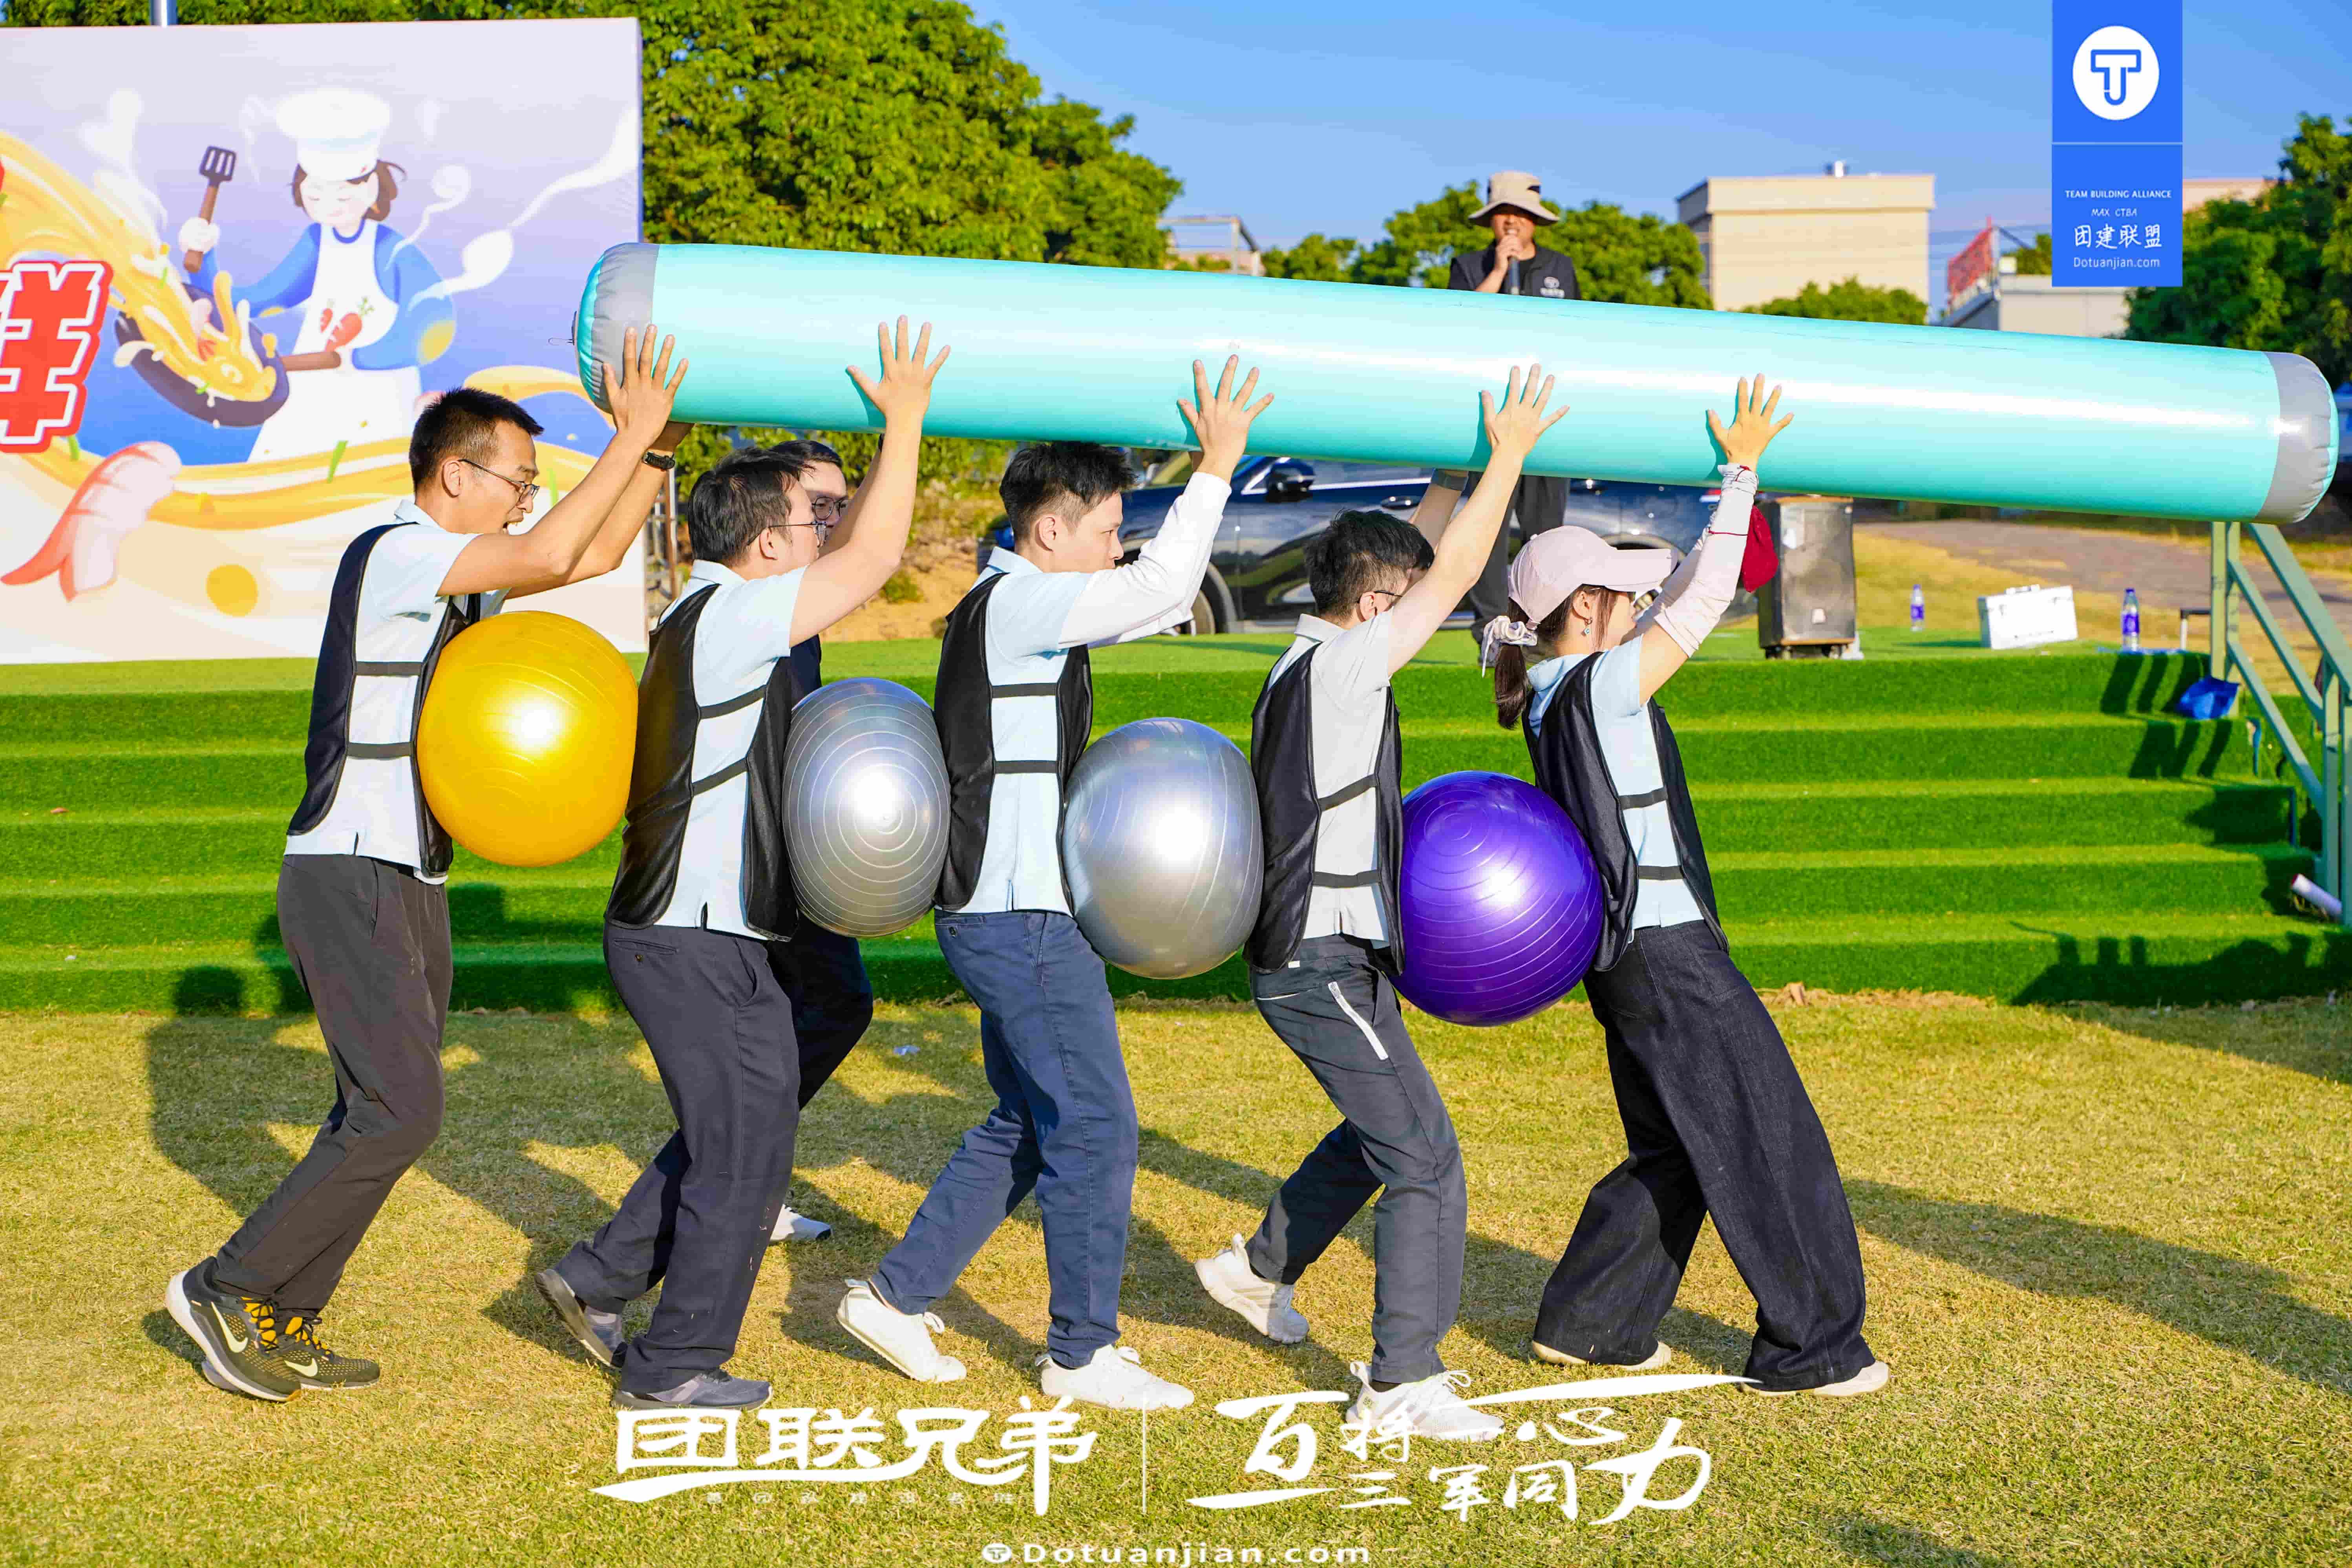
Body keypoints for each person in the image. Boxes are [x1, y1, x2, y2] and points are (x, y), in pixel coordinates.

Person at [164, 326, 689, 1402]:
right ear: (455, 474)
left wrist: (656, 451)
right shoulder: (396, 552)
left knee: (374, 1108)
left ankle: (281, 1314)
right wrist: (627, 432)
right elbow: (554, 555)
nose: (528, 502)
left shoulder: (457, 585)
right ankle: (225, 1285)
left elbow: (587, 558)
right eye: (518, 482)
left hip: (409, 876)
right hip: (350, 865)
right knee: (402, 1110)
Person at [835, 358, 1271, 1412]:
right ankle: (1080, 1354)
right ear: (1047, 529)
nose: (1117, 547)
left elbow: (1144, 594)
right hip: (1019, 916)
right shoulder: (1023, 602)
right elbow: (1164, 588)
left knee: (1031, 1122)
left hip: (1008, 913)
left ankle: (894, 1296)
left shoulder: (1007, 601)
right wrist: (1216, 464)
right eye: (1107, 528)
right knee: (1093, 1126)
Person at [532, 320, 950, 1412]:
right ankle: (670, 1365)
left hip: (715, 940)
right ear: (764, 545)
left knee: (750, 1140)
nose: (824, 533)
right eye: (810, 520)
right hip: (688, 940)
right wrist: (905, 417)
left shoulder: (705, 609)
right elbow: (875, 559)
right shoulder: (730, 618)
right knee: (738, 1156)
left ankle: (604, 1283)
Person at [1489, 375, 1887, 1398]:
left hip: (1624, 964)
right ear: (1585, 607)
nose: (1638, 604)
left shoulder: (1547, 695)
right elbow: (1703, 600)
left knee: (1670, 1147)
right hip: (1667, 952)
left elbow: (1675, 599)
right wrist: (1739, 471)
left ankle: (1592, 1325)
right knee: (1765, 1134)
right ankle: (1812, 1348)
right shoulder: (1602, 686)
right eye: (1621, 594)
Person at [1195, 366, 1568, 1441]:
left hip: (1335, 954)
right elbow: (1446, 572)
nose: (1419, 620)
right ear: (1371, 608)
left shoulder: (1313, 653)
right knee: (1424, 1159)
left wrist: (1456, 471)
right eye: (1399, 607)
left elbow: (1417, 550)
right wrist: (1510, 455)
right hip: (1315, 959)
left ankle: (1256, 1267)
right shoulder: (1345, 670)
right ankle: (1400, 1378)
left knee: (1378, 1133)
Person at [182, 88, 453, 462]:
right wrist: (205, 257)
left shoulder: (394, 252)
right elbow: (255, 301)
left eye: (342, 197)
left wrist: (362, 357)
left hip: (377, 395)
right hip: (311, 391)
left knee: (369, 479)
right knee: (285, 474)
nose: (330, 206)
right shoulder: (316, 242)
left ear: (373, 189)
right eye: (315, 196)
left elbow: (434, 324)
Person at [750, 437, 875, 1247]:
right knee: (826, 1005)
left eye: (838, 507)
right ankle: (737, 1173)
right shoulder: (760, 604)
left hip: (793, 845)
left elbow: (862, 546)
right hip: (760, 855)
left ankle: (747, 1174)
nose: (830, 522)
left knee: (828, 1004)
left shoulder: (800, 594)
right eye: (817, 507)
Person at [1446, 169, 1580, 651]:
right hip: (1491, 420)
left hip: (1544, 420)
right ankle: (1490, 627)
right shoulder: (1468, 266)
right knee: (1488, 525)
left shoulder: (1561, 267)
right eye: (1503, 213)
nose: (1512, 222)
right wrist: (1500, 273)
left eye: (1521, 214)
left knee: (1546, 531)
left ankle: (1544, 624)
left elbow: (1575, 334)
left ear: (1535, 221)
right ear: (1490, 220)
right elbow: (1459, 325)